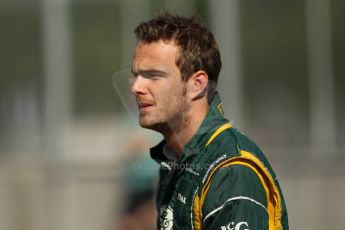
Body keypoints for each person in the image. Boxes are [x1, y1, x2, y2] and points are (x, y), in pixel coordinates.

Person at [129, 12, 288, 230]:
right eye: (136, 75)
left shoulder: (231, 171)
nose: (136, 87)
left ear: (197, 84)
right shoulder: (177, 161)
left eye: (153, 76)